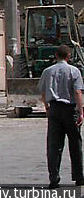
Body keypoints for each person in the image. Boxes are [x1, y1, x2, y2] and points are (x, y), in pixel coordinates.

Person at [38, 44, 84, 189]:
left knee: (54, 145)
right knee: (75, 144)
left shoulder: (47, 71)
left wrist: (47, 108)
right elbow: (77, 92)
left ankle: (54, 178)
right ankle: (78, 176)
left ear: (56, 56)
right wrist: (81, 111)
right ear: (69, 56)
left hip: (54, 109)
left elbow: (43, 92)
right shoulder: (74, 70)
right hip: (70, 109)